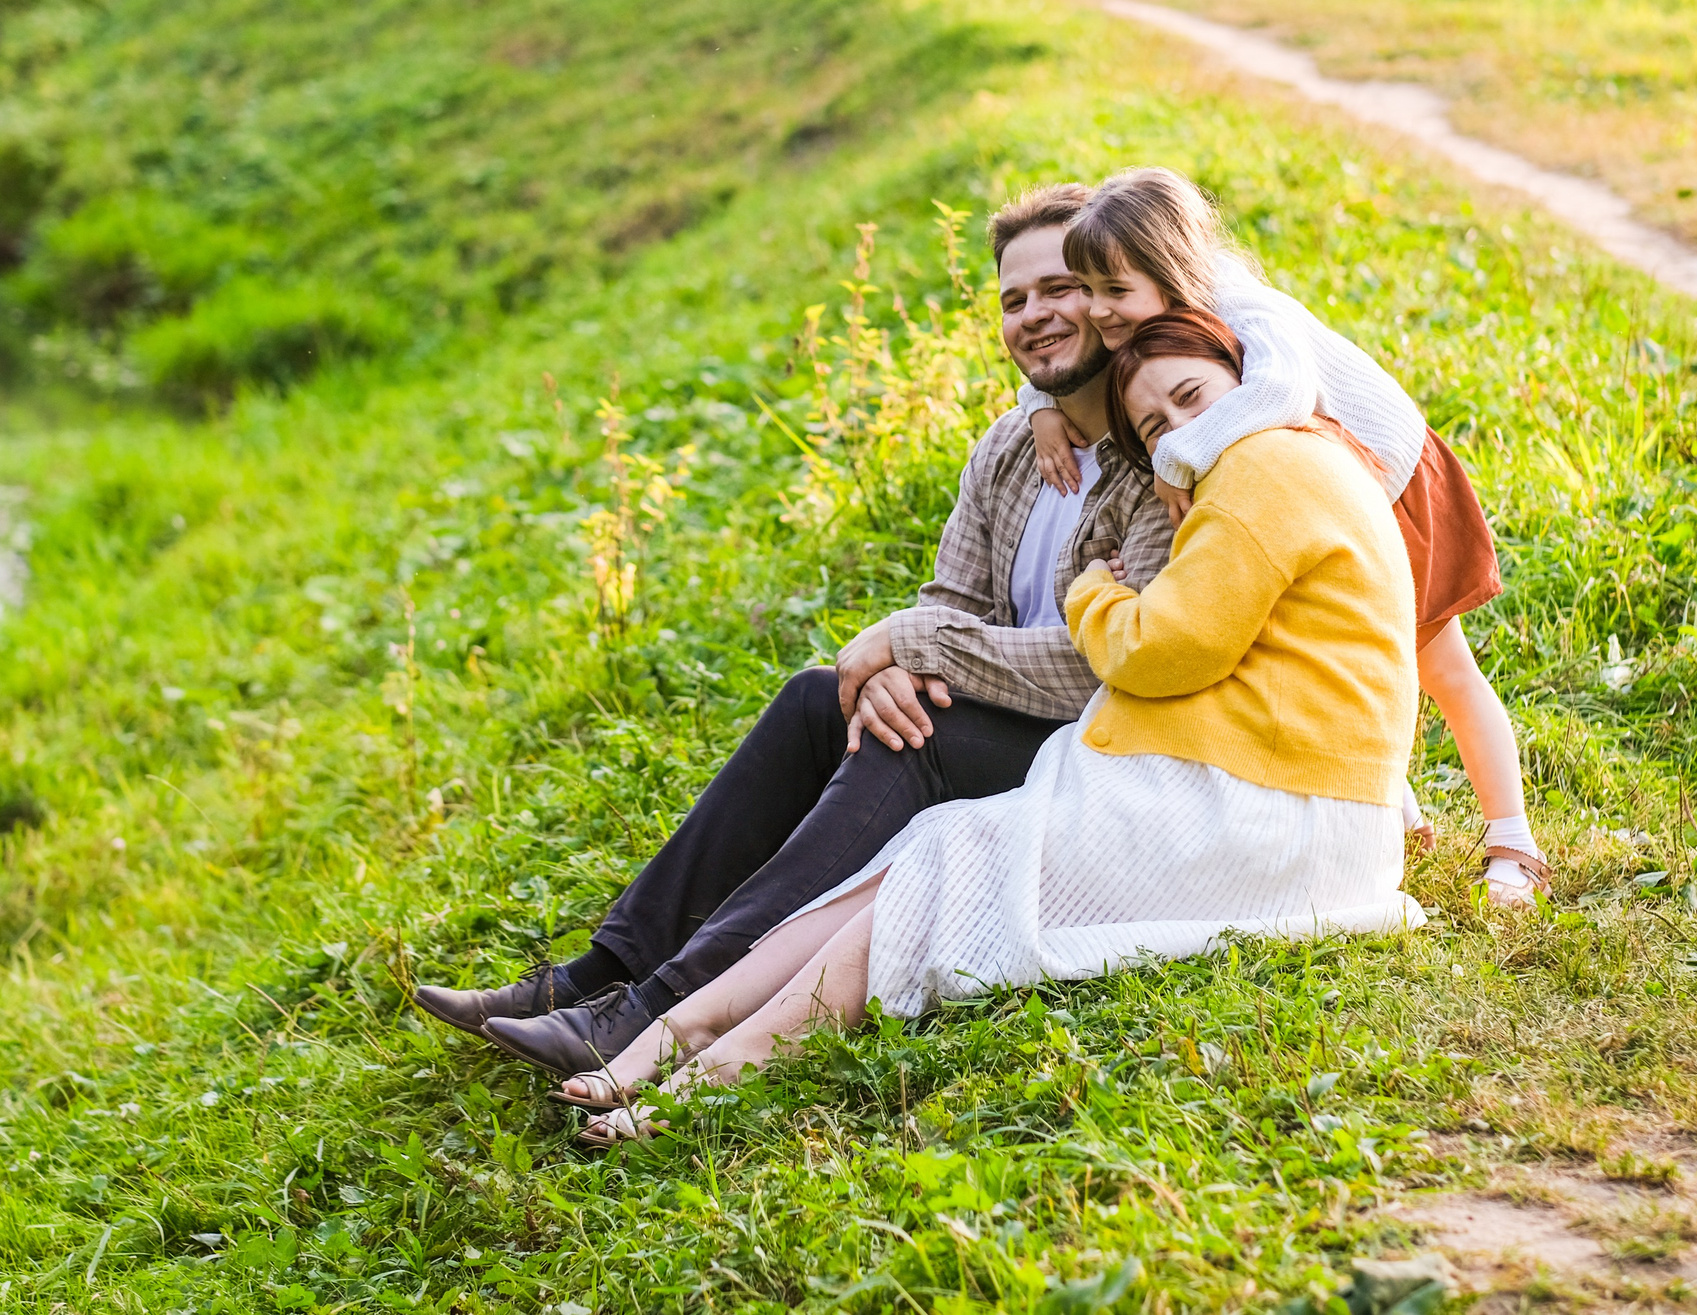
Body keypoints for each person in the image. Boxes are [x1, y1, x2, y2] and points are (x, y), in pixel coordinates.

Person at [566, 311, 1426, 1146]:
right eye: (1155, 424)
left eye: (1193, 397)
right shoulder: (1278, 458)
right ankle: (666, 1037)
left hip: (1274, 815)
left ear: (1247, 375)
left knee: (946, 867)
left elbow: (1166, 649)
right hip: (1258, 788)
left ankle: (714, 1069)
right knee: (918, 851)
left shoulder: (1261, 469)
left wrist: (1095, 590)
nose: (1177, 436)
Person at [407, 184, 1178, 1076]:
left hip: (1087, 750)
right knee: (823, 697)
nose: (1036, 315)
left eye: (1060, 289)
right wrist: (895, 661)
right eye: (1014, 299)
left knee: (913, 741)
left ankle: (651, 1010)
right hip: (990, 711)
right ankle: (595, 973)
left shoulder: (1156, 456)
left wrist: (914, 648)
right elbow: (946, 601)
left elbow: (1106, 668)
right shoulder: (1010, 444)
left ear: (1109, 294)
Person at [1015, 170, 1548, 904]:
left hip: (1384, 484)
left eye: (1112, 289)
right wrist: (1040, 405)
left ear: (1168, 269)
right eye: (1087, 288)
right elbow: (1083, 368)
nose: (1095, 309)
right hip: (1300, 501)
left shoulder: (1245, 308)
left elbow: (1282, 394)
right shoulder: (1150, 322)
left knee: (1438, 668)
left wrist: (1177, 451)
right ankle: (1391, 811)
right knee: (1326, 654)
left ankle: (1512, 840)